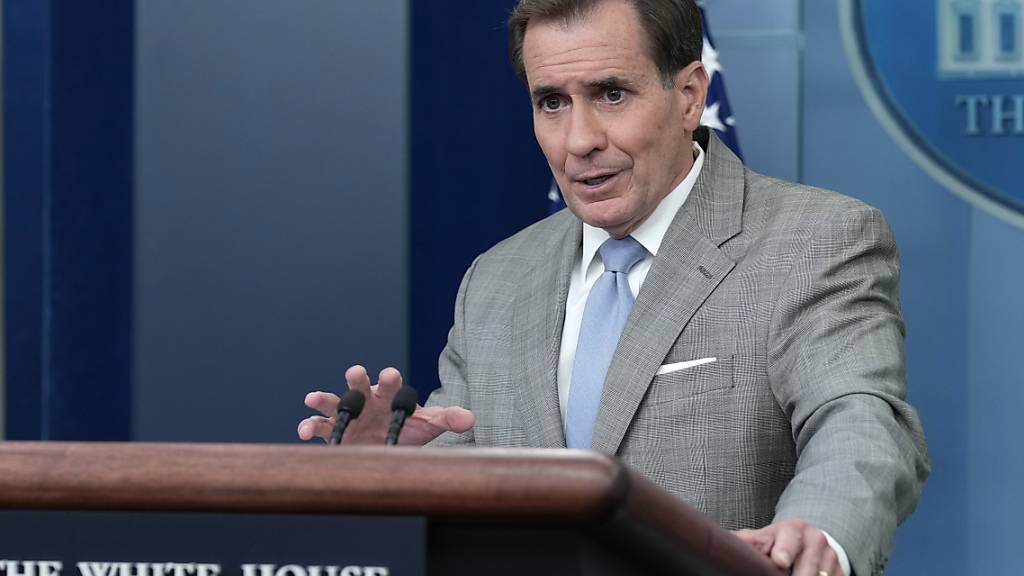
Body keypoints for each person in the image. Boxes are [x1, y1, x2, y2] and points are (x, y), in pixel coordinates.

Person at [298, 1, 930, 574]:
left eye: (610, 94)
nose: (580, 141)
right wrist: (385, 471)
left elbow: (859, 418)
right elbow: (470, 462)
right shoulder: (496, 278)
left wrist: (816, 532)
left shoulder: (817, 240)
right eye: (552, 102)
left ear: (688, 95)